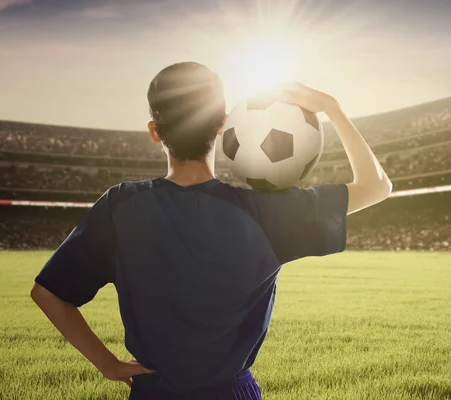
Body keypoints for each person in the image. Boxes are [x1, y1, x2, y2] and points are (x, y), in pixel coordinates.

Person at [30, 61, 392, 399]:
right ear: (222, 124)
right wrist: (332, 108)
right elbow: (377, 187)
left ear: (155, 132)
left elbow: (47, 293)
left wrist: (107, 364)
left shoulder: (120, 206)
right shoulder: (267, 213)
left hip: (154, 390)